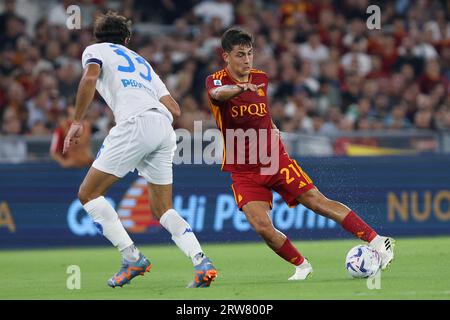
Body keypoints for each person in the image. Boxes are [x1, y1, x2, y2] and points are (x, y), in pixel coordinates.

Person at [205, 27, 394, 280]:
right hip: (243, 171)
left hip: (274, 159)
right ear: (226, 56)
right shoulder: (215, 81)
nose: (247, 60)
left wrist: (272, 128)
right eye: (240, 55)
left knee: (318, 202)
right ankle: (302, 265)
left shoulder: (261, 79)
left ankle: (378, 241)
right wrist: (240, 88)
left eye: (250, 53)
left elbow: (261, 112)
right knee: (262, 227)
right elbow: (218, 95)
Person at [63, 11, 217, 288]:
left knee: (88, 194)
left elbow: (89, 78)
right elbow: (175, 108)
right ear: (127, 38)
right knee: (162, 208)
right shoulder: (141, 61)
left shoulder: (95, 50)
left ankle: (131, 257)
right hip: (163, 127)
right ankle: (200, 260)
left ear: (99, 37)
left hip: (135, 125)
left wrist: (77, 120)